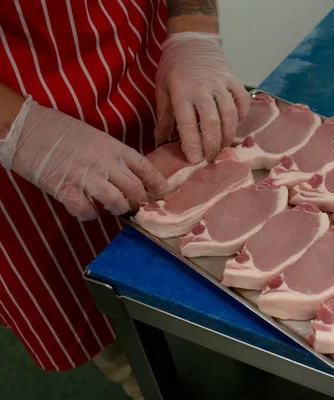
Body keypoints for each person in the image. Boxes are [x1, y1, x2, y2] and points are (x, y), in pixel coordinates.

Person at [0, 0, 248, 398]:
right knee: (94, 304)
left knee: (221, 249)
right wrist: (19, 132)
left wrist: (193, 31)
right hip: (17, 153)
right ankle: (144, 379)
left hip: (141, 63)